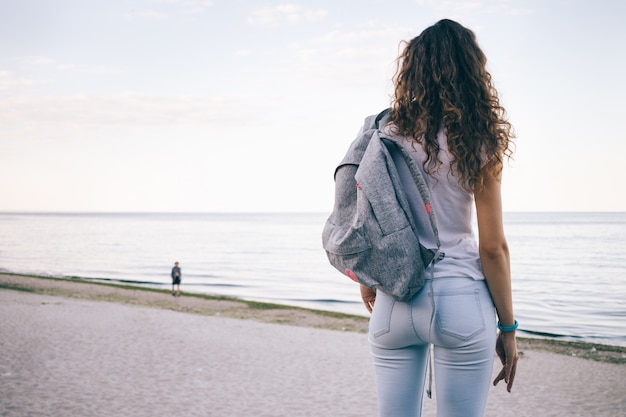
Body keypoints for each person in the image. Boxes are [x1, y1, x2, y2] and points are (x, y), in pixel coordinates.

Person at [342, 19, 518, 416]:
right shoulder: (479, 142)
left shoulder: (386, 134)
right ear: (473, 70)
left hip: (396, 297)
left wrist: (369, 280)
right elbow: (492, 248)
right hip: (461, 299)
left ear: (413, 70)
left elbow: (369, 217)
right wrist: (508, 329)